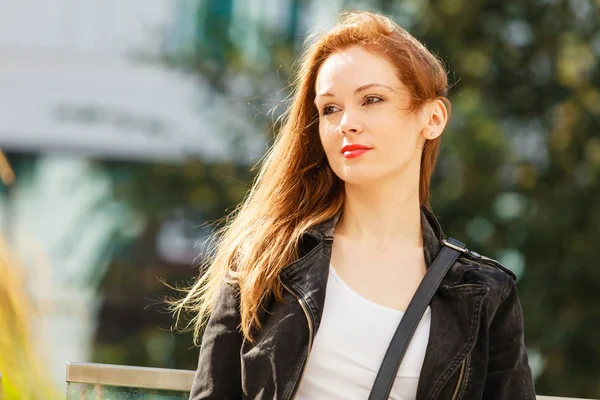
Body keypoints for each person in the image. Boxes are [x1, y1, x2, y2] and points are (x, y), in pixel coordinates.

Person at [174, 10, 536, 400]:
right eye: (330, 108)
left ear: (432, 117)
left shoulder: (483, 291)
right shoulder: (265, 260)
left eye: (372, 99)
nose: (347, 122)